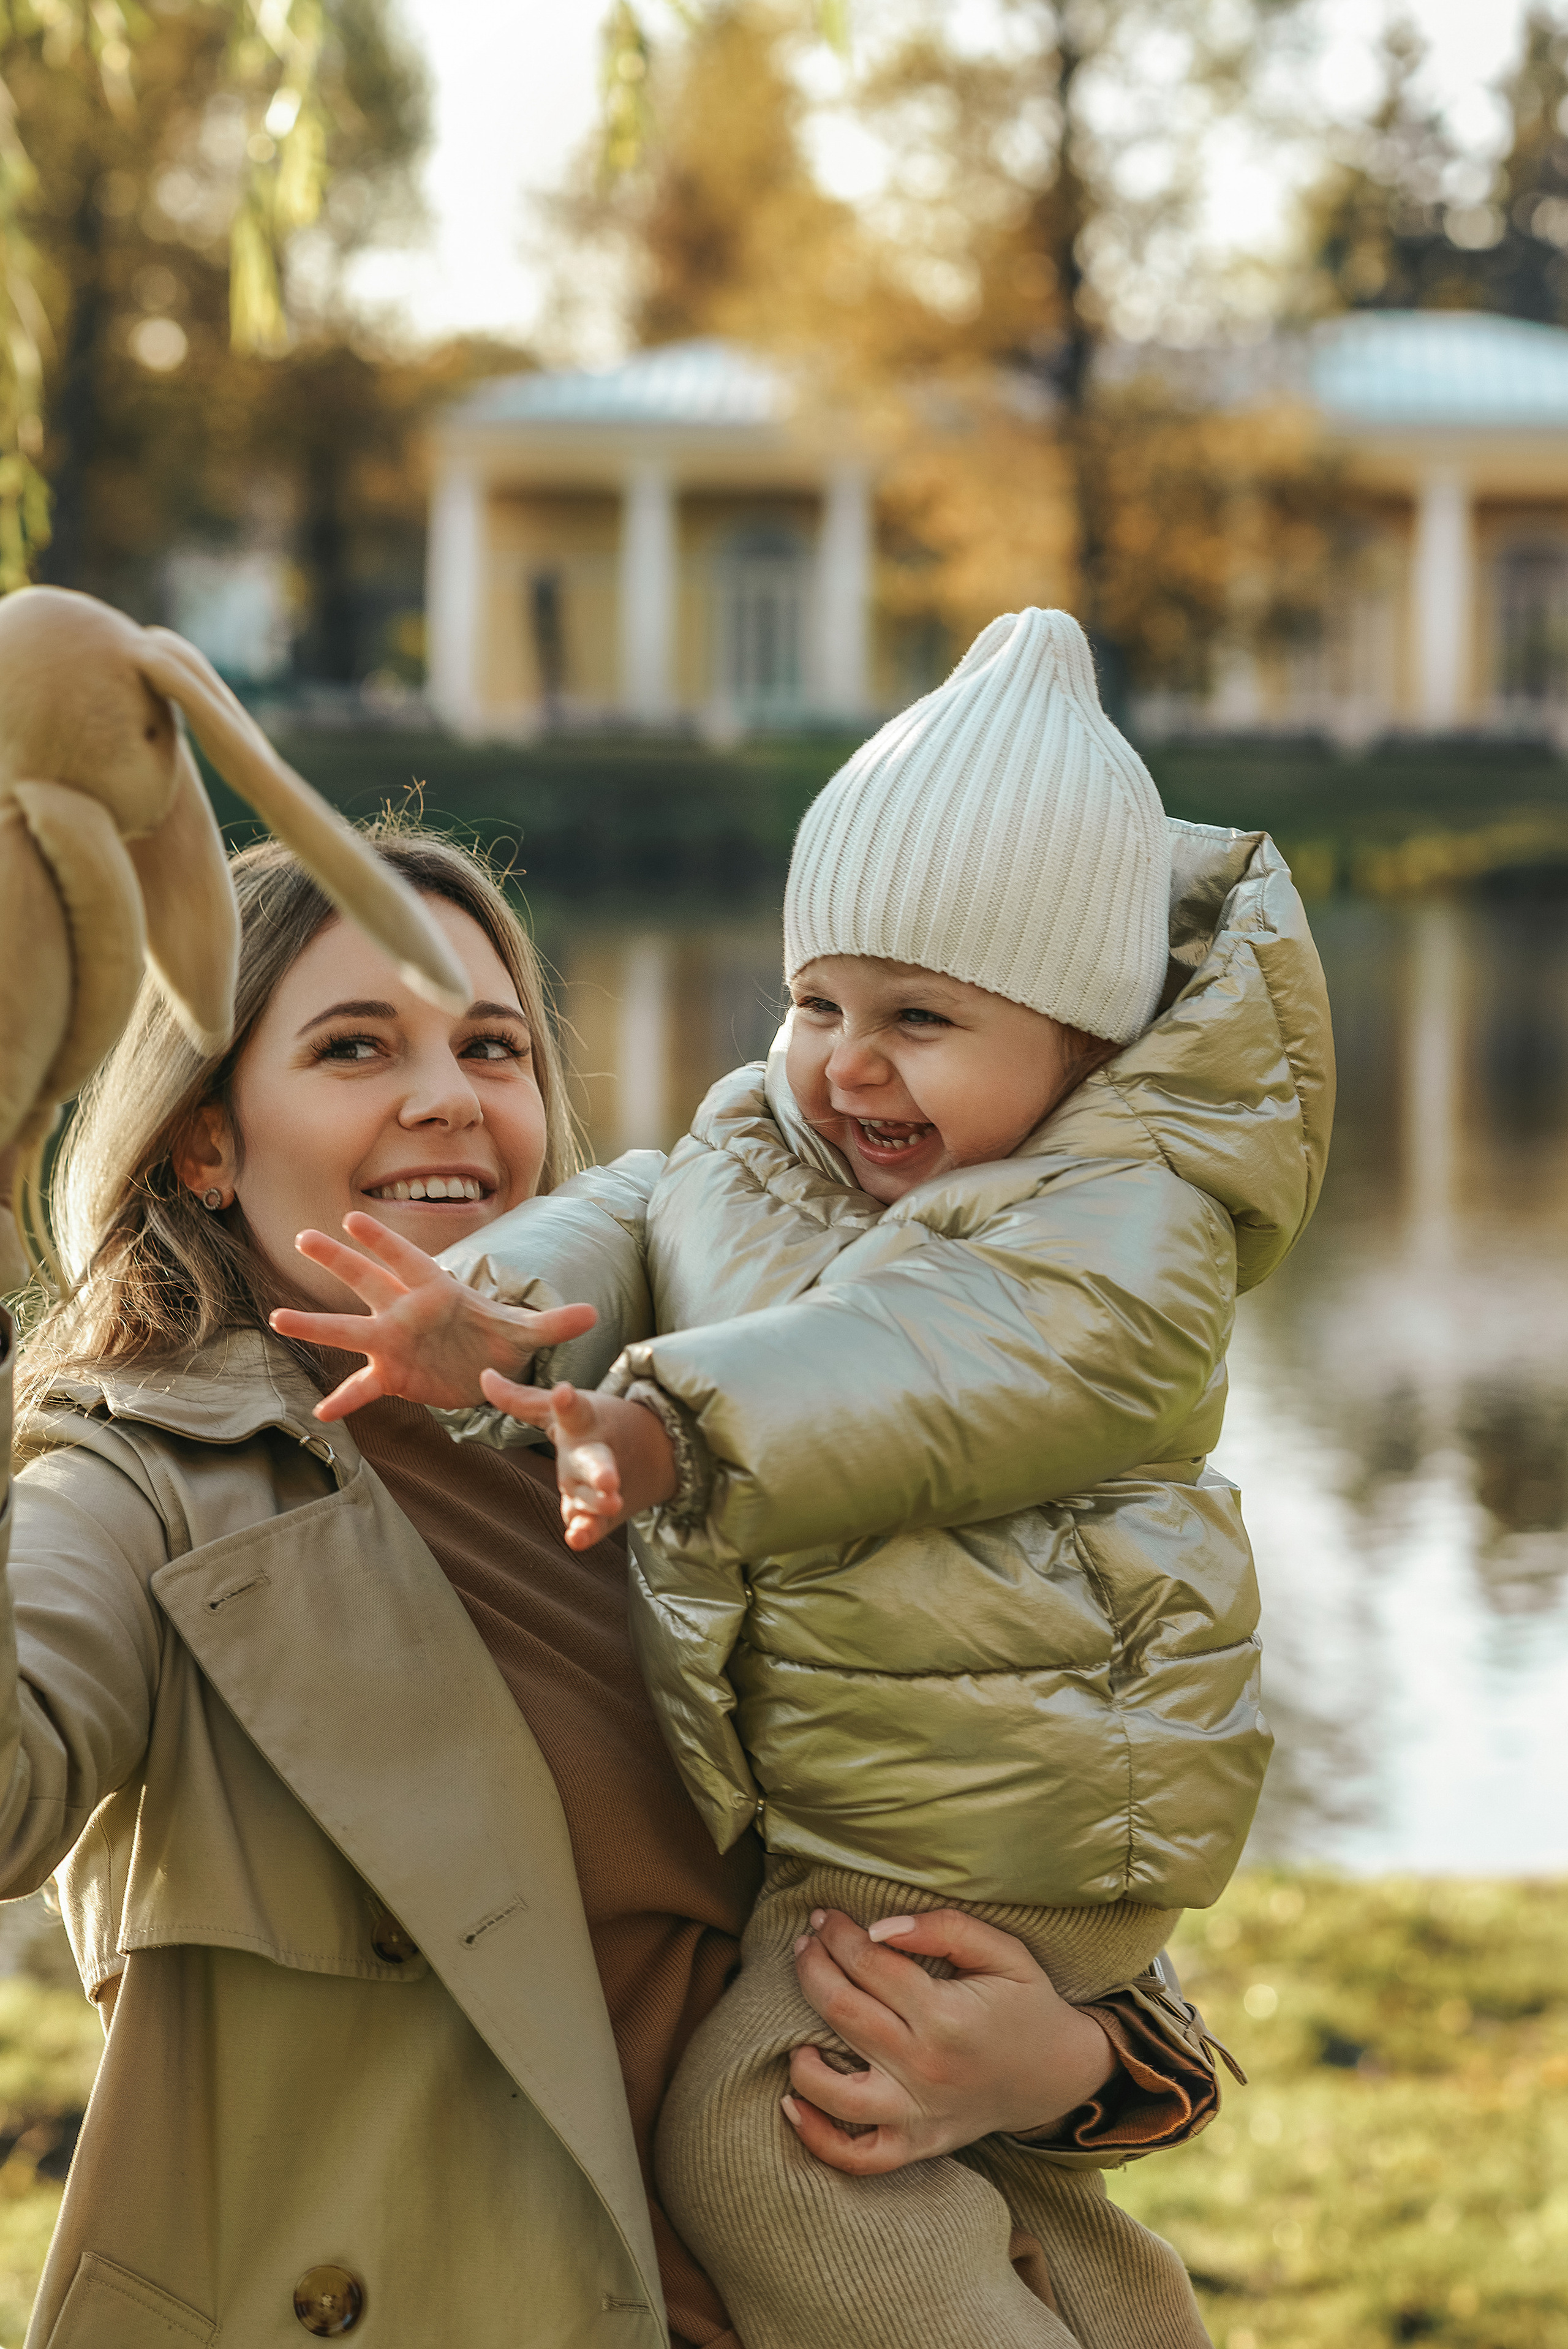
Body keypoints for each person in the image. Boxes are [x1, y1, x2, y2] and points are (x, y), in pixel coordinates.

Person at [0, 822, 1220, 2349]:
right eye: (355, 1045)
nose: (448, 1094)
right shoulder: (136, 1488)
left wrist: (1067, 2063)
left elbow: (1020, 1809)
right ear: (206, 1144)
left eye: (491, 1045)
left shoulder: (691, 1407)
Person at [284, 611, 1332, 2349]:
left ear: (1083, 1044)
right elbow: (631, 1213)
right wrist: (485, 1310)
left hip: (994, 1803)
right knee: (967, 2185)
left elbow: (910, 1364)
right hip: (903, 1789)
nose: (848, 1060)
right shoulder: (779, 1141)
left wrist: (666, 1429)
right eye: (817, 1001)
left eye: (920, 1016)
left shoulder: (1121, 1235)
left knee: (772, 2142)